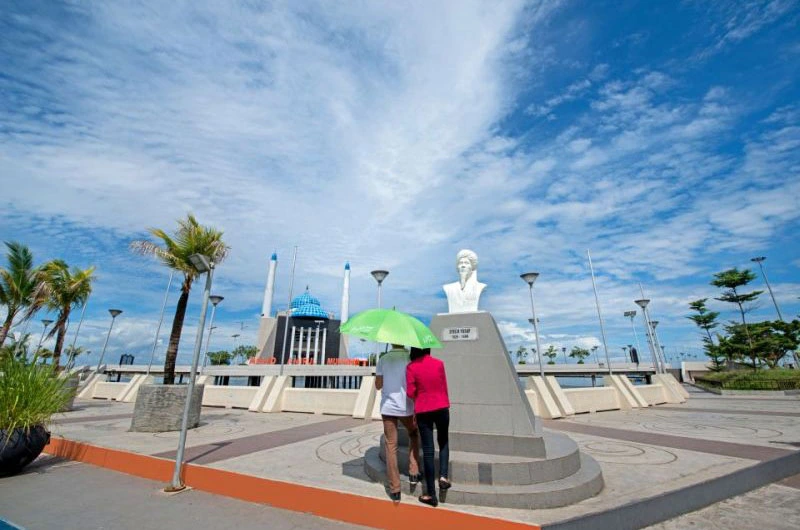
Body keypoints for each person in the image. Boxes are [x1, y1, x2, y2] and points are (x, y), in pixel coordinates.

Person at [375, 344, 421, 502]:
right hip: (406, 407)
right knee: (413, 434)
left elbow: (378, 385)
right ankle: (413, 471)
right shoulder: (410, 359)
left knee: (391, 445)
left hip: (388, 407)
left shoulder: (383, 359)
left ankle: (395, 489)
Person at [406, 347, 450, 507]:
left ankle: (432, 494)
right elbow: (444, 386)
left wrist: (419, 394)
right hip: (442, 407)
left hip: (424, 409)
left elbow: (410, 392)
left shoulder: (411, 367)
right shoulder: (439, 364)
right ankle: (444, 476)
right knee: (444, 441)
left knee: (429, 451)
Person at [442, 249, 486, 313]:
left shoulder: (479, 287)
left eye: (466, 263)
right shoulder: (449, 288)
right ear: (457, 267)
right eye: (460, 263)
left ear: (472, 267)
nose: (463, 265)